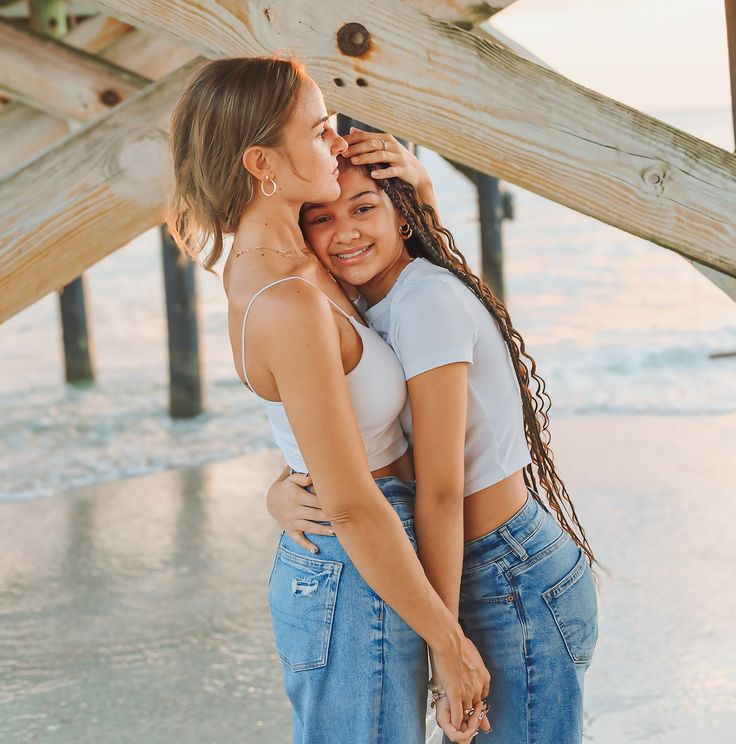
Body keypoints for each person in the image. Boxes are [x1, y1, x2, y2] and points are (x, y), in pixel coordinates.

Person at [166, 57, 490, 744]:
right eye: (318, 132)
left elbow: (417, 312)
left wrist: (419, 192)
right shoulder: (285, 297)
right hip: (354, 573)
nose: (339, 142)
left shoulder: (302, 258)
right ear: (263, 164)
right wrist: (449, 645)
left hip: (372, 559)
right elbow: (346, 500)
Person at [267, 128, 599, 743]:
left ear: (402, 215)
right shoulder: (364, 306)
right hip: (460, 567)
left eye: (365, 208)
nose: (344, 233)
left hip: (506, 578)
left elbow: (440, 489)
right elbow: (361, 434)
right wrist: (279, 489)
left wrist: (443, 645)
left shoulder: (423, 303)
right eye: (321, 218)